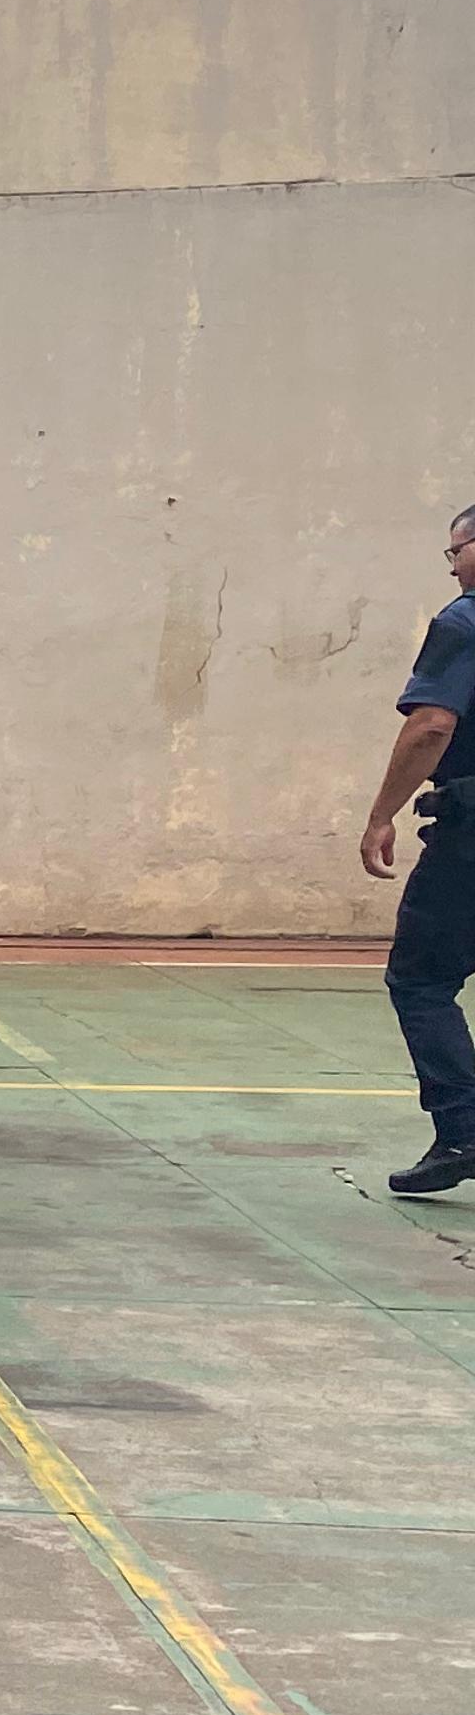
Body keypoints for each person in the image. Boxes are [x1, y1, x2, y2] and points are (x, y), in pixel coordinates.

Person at [362, 501, 475, 1197]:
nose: (455, 563)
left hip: (470, 844)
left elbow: (431, 723)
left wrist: (382, 814)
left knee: (422, 979)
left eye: (457, 549)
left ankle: (464, 1128)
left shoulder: (464, 621)